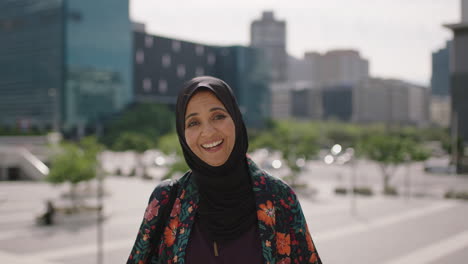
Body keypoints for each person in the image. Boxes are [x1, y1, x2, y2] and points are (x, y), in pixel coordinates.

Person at [128, 76, 322, 264]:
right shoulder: (167, 200)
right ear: (182, 132)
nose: (209, 132)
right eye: (194, 122)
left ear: (236, 119)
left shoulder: (279, 197)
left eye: (218, 116)